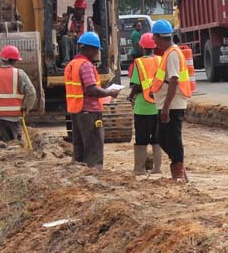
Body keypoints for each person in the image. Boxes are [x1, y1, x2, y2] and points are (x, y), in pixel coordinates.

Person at [64, 31, 119, 169]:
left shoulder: (71, 64)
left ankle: (78, 173)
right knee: (93, 146)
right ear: (88, 48)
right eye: (95, 50)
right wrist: (109, 92)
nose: (96, 53)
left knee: (80, 146)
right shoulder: (86, 65)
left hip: (77, 111)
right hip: (89, 112)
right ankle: (93, 175)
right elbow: (91, 89)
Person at [150, 20, 192, 181]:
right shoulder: (168, 53)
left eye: (154, 37)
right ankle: (179, 166)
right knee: (162, 137)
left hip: (173, 104)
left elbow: (174, 80)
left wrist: (166, 107)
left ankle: (179, 171)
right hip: (167, 103)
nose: (153, 40)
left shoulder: (173, 54)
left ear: (160, 37)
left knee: (172, 138)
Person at [128, 32, 162, 176]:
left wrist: (130, 96)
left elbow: (136, 85)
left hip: (142, 107)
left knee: (141, 139)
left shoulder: (139, 63)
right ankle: (157, 168)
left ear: (142, 47)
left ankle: (139, 169)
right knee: (156, 138)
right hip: (157, 105)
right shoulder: (161, 60)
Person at [0, 45, 37, 142]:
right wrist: (25, 106)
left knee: (1, 146)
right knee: (16, 145)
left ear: (2, 58)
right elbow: (31, 93)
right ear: (14, 60)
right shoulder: (19, 73)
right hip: (14, 116)